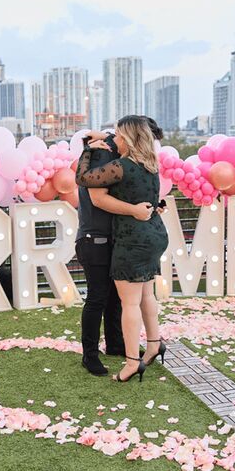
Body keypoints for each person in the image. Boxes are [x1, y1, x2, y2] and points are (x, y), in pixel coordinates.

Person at [76, 116, 169, 382]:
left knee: (125, 300)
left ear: (127, 138)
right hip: (108, 237)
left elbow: (87, 180)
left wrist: (145, 207)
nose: (114, 138)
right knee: (103, 297)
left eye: (118, 135)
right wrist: (91, 146)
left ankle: (127, 356)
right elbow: (95, 194)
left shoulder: (121, 162)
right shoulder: (144, 163)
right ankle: (92, 353)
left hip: (129, 238)